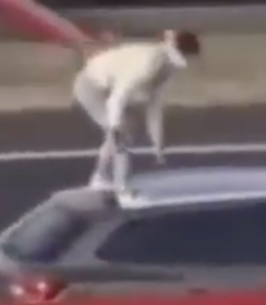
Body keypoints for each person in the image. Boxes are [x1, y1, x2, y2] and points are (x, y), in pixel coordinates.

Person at [72, 29, 203, 191]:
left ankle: (103, 176)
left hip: (108, 88)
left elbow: (154, 109)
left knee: (126, 128)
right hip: (90, 86)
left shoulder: (166, 69)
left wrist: (158, 145)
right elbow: (118, 98)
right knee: (121, 132)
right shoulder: (148, 64)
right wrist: (115, 127)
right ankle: (115, 183)